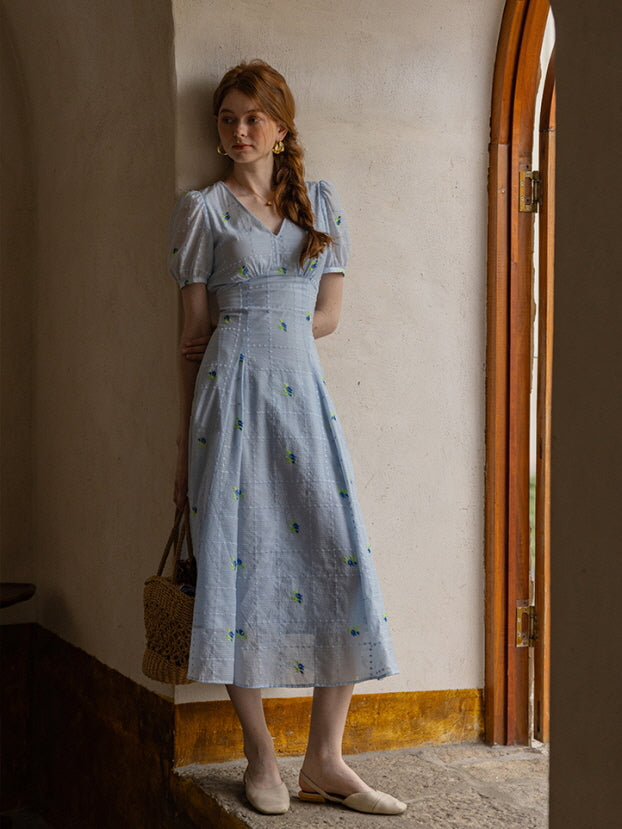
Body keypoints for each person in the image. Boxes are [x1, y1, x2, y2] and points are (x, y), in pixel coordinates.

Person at [169, 60, 405, 816]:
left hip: (303, 399)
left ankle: (325, 759)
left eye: (253, 117)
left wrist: (270, 322)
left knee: (341, 554)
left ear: (280, 126)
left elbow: (328, 314)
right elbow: (191, 338)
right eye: (227, 118)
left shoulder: (319, 202)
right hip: (229, 402)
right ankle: (261, 754)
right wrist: (182, 452)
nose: (239, 131)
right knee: (237, 566)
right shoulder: (203, 210)